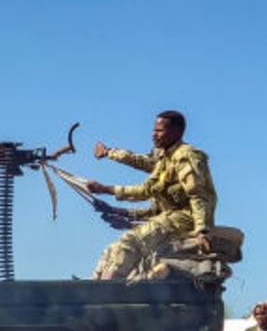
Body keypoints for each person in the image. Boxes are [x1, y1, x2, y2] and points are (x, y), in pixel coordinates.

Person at [87, 109, 217, 280]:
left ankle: (106, 292)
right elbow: (146, 189)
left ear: (177, 132)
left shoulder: (186, 156)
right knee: (112, 250)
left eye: (159, 131)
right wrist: (111, 197)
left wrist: (202, 231)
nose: (153, 135)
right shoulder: (165, 160)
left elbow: (198, 196)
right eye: (154, 130)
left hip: (186, 217)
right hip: (171, 217)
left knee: (129, 242)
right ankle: (93, 290)